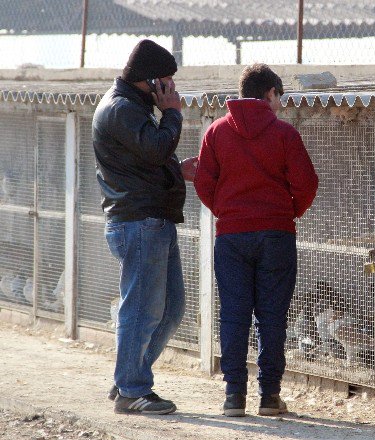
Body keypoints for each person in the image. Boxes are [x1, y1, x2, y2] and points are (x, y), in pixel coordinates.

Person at [194, 63, 318, 417]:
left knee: (234, 314)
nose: (279, 104)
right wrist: (289, 212)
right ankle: (269, 396)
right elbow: (307, 182)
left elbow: (203, 182)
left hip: (231, 236)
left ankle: (234, 397)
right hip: (276, 234)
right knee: (272, 316)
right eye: (279, 97)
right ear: (270, 95)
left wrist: (226, 210)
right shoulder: (284, 134)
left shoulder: (216, 132)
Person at [92, 39, 198, 415]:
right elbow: (154, 150)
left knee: (170, 308)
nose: (171, 90)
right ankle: (132, 388)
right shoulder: (122, 108)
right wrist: (172, 113)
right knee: (142, 308)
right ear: (151, 81)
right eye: (166, 82)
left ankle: (128, 377)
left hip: (151, 220)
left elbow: (145, 162)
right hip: (139, 223)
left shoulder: (130, 107)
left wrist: (177, 170)